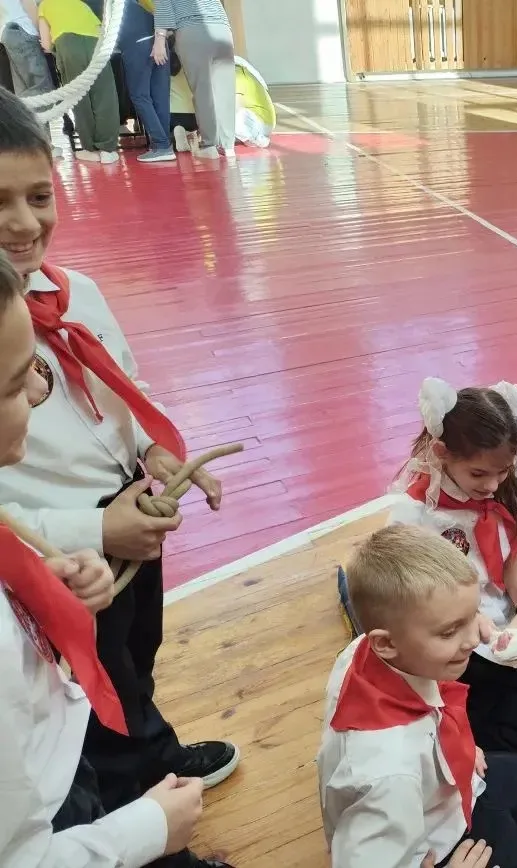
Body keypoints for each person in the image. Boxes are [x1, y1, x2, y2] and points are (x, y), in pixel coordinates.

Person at [0, 88, 236, 868]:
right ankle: (134, 802)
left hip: (127, 508)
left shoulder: (79, 295)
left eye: (39, 197)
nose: (25, 223)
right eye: (0, 202)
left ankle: (149, 755)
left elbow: (121, 387)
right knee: (84, 691)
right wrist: (95, 529)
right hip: (57, 549)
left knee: (136, 650)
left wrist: (154, 453)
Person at [339, 378, 517, 761]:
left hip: (505, 615)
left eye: (502, 472)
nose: (492, 484)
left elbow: (511, 557)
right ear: (441, 453)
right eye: (479, 474)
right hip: (462, 634)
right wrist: (473, 626)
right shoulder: (415, 515)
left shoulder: (501, 489)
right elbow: (412, 605)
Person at [319, 523, 517, 868]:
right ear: (386, 643)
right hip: (435, 839)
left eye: (472, 616)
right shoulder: (386, 773)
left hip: (456, 787)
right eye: (450, 631)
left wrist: (459, 745)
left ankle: (502, 834)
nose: (473, 640)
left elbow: (432, 706)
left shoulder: (379, 653)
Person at [36, 0, 119, 163]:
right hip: (97, 43)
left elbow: (45, 43)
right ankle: (108, 149)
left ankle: (90, 149)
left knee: (79, 98)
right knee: (105, 95)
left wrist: (51, 47)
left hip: (68, 44)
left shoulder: (44, 5)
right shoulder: (80, 3)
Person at [152, 0, 236, 159]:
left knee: (203, 90)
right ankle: (228, 146)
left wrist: (159, 40)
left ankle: (209, 145)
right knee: (225, 91)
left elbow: (164, 5)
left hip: (192, 29)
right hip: (222, 29)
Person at [117, 0, 174, 163]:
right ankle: (163, 145)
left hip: (137, 45)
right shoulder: (135, 5)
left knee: (140, 96)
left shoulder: (109, 5)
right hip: (158, 41)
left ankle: (162, 145)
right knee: (160, 97)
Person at [1, 0, 51, 97]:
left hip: (7, 35)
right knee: (40, 88)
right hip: (23, 29)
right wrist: (41, 32)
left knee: (24, 90)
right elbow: (28, 3)